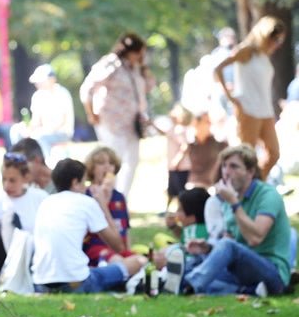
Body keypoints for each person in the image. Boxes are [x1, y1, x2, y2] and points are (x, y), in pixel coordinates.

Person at [178, 144, 290, 296]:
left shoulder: (267, 195)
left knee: (224, 252)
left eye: (234, 167)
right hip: (243, 272)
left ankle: (189, 285)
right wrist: (209, 248)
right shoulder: (230, 198)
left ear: (250, 172)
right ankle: (247, 291)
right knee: (196, 264)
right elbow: (229, 240)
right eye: (224, 166)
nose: (226, 172)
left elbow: (255, 238)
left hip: (272, 271)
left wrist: (234, 204)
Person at [31, 158, 146, 293]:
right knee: (138, 261)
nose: (86, 187)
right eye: (84, 182)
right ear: (75, 183)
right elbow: (118, 245)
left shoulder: (45, 202)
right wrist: (103, 205)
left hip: (40, 283)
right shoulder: (86, 202)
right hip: (76, 283)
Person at [79, 32, 154, 198]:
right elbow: (87, 89)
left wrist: (142, 66)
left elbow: (149, 85)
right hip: (112, 122)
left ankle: (121, 197)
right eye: (139, 52)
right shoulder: (110, 64)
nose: (141, 56)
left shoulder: (135, 68)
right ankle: (108, 194)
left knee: (132, 161)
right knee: (112, 161)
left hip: (133, 123)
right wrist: (91, 113)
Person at [213, 16, 286, 179]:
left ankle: (254, 184)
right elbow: (218, 69)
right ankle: (241, 189)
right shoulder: (246, 51)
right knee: (247, 156)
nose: (278, 44)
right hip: (248, 110)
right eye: (276, 40)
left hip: (265, 110)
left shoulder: (264, 56)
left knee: (274, 153)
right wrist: (230, 97)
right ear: (265, 36)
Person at [81, 145, 136, 266]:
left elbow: (125, 230)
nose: (107, 167)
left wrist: (128, 251)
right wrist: (102, 201)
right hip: (95, 248)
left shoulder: (119, 197)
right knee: (120, 262)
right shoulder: (87, 195)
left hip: (118, 248)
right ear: (92, 169)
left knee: (141, 261)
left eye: (111, 163)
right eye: (101, 163)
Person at [19, 63, 74, 159]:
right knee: (18, 133)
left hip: (62, 133)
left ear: (52, 79)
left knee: (40, 137)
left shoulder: (62, 93)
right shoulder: (37, 96)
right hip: (43, 131)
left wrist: (45, 130)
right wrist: (28, 130)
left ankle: (45, 163)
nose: (38, 84)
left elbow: (63, 121)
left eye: (41, 81)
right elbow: (36, 120)